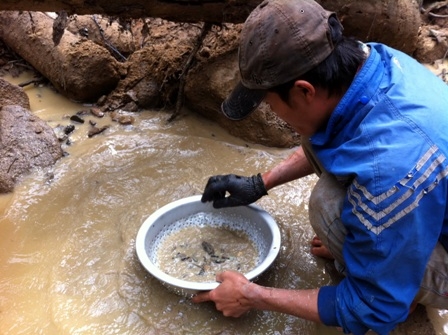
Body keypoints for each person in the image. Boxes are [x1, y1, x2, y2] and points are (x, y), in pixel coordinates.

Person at [191, 0, 448, 334]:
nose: (274, 116)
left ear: (303, 91)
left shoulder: (390, 174)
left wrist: (251, 295)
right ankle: (384, 255)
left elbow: (370, 309)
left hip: (420, 204)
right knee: (321, 148)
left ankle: (405, 289)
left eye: (271, 106)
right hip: (426, 191)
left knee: (328, 208)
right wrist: (259, 183)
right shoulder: (376, 60)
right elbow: (335, 136)